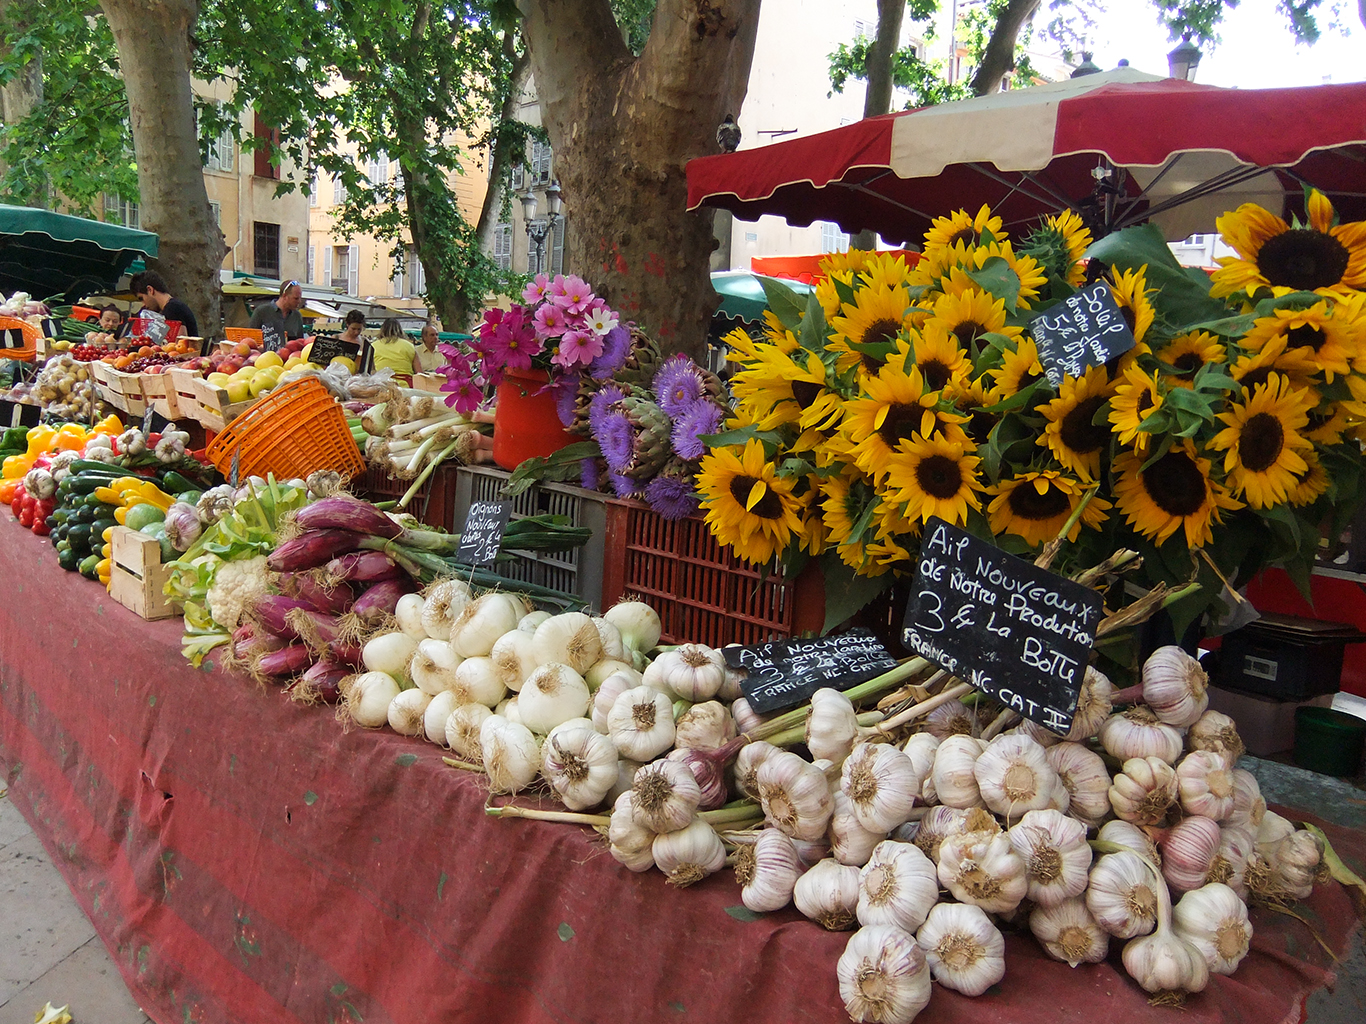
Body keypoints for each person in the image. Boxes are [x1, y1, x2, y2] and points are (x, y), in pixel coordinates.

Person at [129, 270, 199, 339]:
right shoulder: (173, 306)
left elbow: (180, 344)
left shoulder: (172, 308)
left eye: (141, 298)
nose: (143, 304)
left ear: (150, 290)